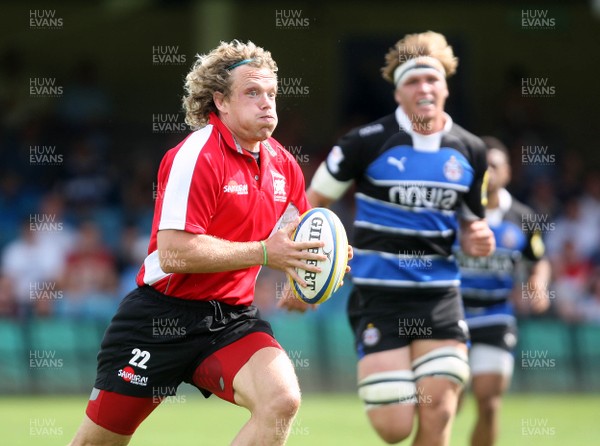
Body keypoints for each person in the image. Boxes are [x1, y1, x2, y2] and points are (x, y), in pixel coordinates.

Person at [69, 39, 334, 446]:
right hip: (159, 317)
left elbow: (297, 239)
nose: (267, 103)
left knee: (281, 400)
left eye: (271, 94)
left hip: (231, 320)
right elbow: (173, 253)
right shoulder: (196, 155)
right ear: (220, 102)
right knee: (96, 443)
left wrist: (319, 264)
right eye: (252, 92)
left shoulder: (283, 164)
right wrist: (265, 253)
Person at [305, 31, 495, 445]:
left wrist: (477, 237)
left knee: (438, 412)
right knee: (394, 429)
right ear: (397, 93)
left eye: (432, 79)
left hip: (439, 296)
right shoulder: (364, 143)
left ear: (446, 86)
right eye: (412, 81)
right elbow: (310, 204)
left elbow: (470, 224)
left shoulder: (472, 150)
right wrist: (300, 272)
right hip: (378, 297)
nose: (424, 88)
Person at [455, 136, 551, 446]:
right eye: (482, 166)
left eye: (495, 166)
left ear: (508, 172)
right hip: (450, 313)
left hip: (496, 314)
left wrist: (538, 283)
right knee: (446, 401)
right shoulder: (454, 212)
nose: (489, 172)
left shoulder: (522, 217)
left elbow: (538, 261)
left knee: (489, 402)